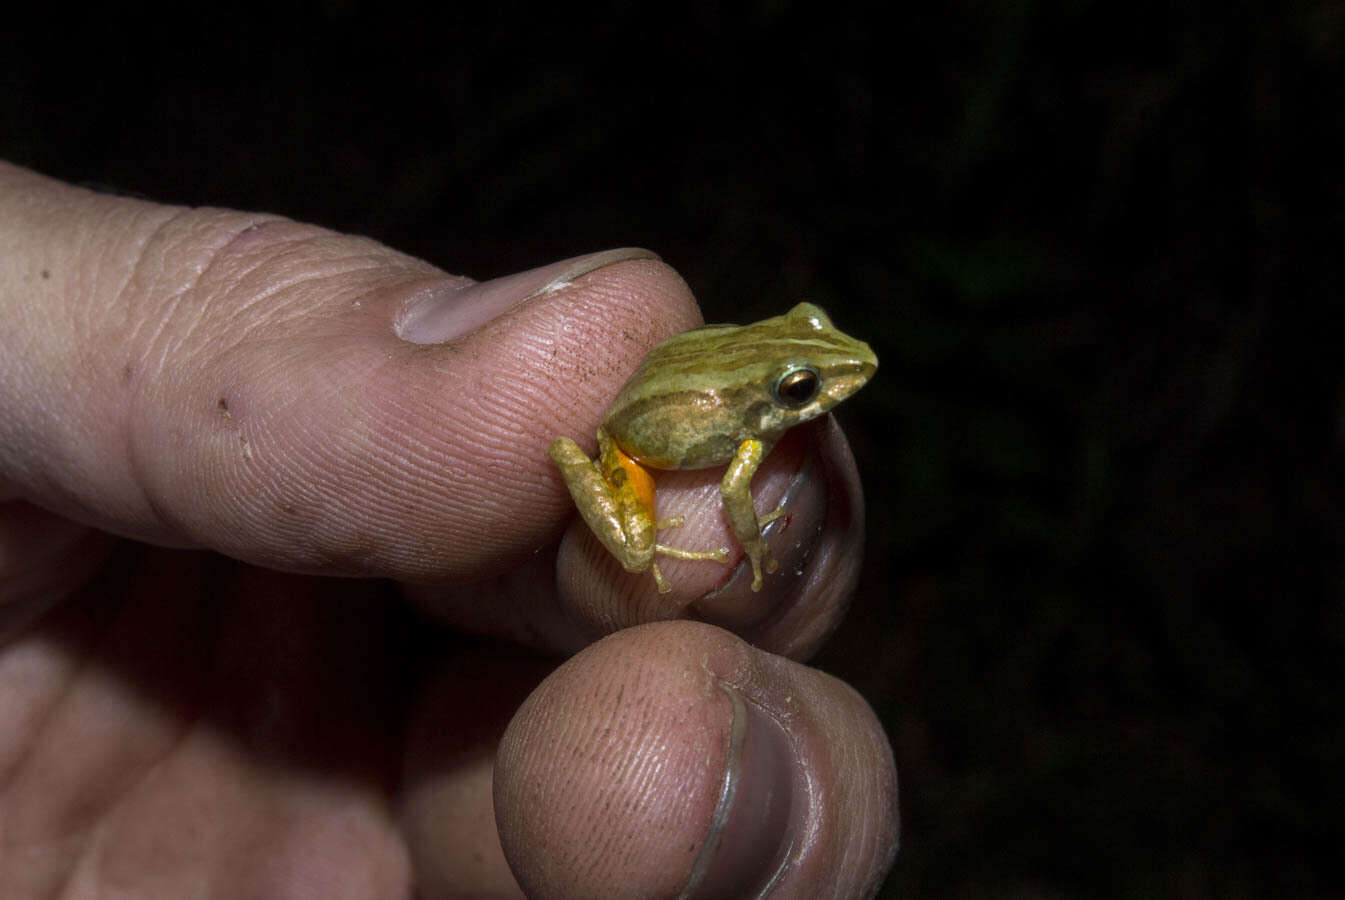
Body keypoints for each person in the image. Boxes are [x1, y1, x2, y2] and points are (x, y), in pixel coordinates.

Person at [0, 160, 899, 897]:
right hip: (628, 447)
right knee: (639, 555)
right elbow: (741, 510)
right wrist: (747, 538)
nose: (829, 384)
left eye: (803, 377)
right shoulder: (746, 446)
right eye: (801, 387)